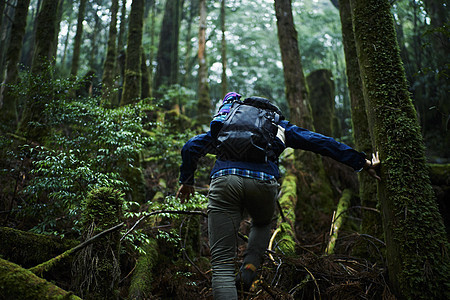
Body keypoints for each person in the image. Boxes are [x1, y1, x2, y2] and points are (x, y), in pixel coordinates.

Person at [176, 92, 380, 299]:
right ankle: (249, 268)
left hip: (225, 180)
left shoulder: (228, 123)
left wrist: (186, 182)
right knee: (263, 223)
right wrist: (361, 162)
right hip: (263, 183)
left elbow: (190, 147)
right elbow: (320, 142)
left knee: (222, 266)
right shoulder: (277, 125)